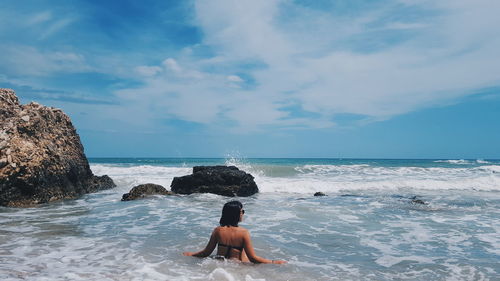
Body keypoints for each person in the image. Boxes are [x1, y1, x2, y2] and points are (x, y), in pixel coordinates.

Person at [183, 200, 286, 264]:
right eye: (242, 212)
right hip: (237, 267)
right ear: (236, 214)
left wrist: (191, 254)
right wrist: (273, 262)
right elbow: (253, 258)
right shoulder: (243, 233)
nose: (243, 214)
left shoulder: (218, 230)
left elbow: (206, 252)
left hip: (220, 264)